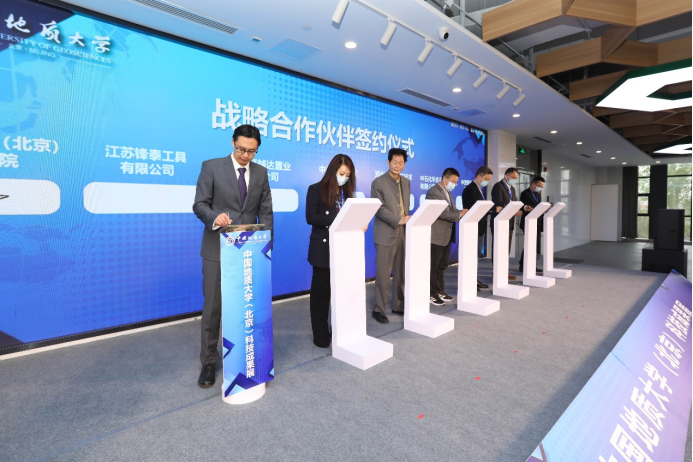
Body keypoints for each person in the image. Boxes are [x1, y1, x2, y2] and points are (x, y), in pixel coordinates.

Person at [192, 124, 273, 388]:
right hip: (218, 250)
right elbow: (199, 204)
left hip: (250, 252)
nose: (246, 155)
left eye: (252, 151)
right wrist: (215, 217)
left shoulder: (261, 173)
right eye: (241, 149)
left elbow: (266, 212)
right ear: (232, 143)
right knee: (214, 307)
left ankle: (246, 358)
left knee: (247, 306)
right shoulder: (212, 167)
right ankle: (208, 361)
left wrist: (266, 248)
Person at [305, 154, 361, 348]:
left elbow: (351, 219)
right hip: (323, 249)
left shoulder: (348, 194)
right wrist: (340, 220)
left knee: (340, 294)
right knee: (320, 295)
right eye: (341, 173)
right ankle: (320, 333)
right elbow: (311, 217)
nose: (344, 178)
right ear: (332, 171)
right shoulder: (315, 189)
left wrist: (357, 224)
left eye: (348, 175)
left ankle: (337, 329)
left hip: (344, 250)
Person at [370, 148, 411, 323]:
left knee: (401, 272)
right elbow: (378, 209)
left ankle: (398, 305)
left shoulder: (406, 182)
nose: (397, 165)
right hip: (385, 233)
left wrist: (405, 221)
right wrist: (399, 220)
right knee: (383, 275)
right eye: (394, 162)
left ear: (404, 164)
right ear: (388, 162)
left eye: (401, 162)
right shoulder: (378, 182)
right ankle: (379, 310)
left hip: (403, 233)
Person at [426, 168, 467, 306]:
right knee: (434, 266)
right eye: (453, 181)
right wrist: (459, 214)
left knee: (443, 265)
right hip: (436, 235)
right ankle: (431, 293)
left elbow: (452, 210)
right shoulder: (434, 192)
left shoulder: (448, 193)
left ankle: (440, 290)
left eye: (456, 182)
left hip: (447, 235)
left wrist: (462, 212)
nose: (455, 184)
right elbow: (441, 213)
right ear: (445, 179)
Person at [490, 167, 530, 281]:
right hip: (500, 222)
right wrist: (513, 212)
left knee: (506, 249)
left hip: (510, 223)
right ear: (506, 175)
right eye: (513, 177)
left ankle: (504, 271)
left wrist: (524, 207)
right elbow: (499, 205)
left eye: (516, 178)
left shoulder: (512, 188)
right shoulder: (498, 186)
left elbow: (514, 203)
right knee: (499, 249)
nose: (514, 180)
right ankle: (497, 272)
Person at [461, 166, 493, 291]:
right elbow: (475, 207)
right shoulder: (470, 189)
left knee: (476, 256)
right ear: (479, 176)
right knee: (471, 256)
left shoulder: (479, 189)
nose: (487, 182)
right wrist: (491, 208)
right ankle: (469, 281)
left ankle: (474, 279)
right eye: (486, 179)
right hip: (472, 227)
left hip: (480, 228)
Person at [519, 176, 545, 273]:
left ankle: (532, 265)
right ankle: (523, 265)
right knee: (529, 245)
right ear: (533, 184)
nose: (540, 188)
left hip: (536, 223)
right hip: (528, 222)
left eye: (542, 187)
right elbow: (524, 207)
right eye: (539, 186)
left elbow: (537, 207)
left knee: (534, 246)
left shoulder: (537, 194)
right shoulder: (525, 193)